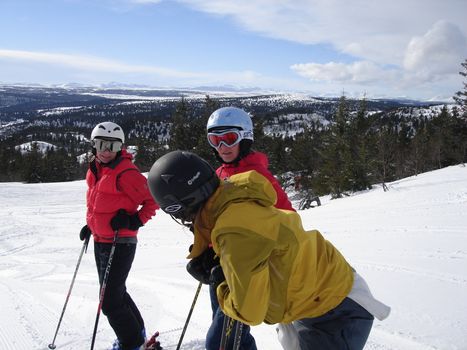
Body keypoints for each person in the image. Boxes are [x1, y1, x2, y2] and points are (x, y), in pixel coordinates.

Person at [147, 150, 391, 350]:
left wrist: (221, 284)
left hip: (334, 312)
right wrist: (216, 259)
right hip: (321, 296)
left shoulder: (232, 229)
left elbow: (249, 311)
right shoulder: (229, 198)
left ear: (182, 205)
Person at [203, 106, 295, 349]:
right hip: (219, 265)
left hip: (243, 269)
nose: (222, 147)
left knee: (220, 342)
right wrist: (205, 249)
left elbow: (288, 218)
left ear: (245, 137)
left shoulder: (259, 177)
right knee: (235, 338)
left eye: (229, 139)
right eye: (215, 140)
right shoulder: (219, 173)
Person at [79, 121, 159, 350]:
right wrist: (90, 225)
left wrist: (134, 220)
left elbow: (153, 200)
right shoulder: (95, 168)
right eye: (101, 144)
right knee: (115, 293)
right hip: (101, 240)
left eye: (112, 146)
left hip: (120, 243)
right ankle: (137, 333)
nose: (106, 151)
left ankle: (131, 343)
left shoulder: (126, 173)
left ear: (120, 148)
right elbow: (97, 202)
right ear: (93, 145)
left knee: (109, 302)